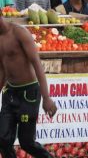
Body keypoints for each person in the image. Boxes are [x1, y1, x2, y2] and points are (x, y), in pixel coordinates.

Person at [0, 9, 57, 158]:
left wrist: (47, 97)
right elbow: (2, 69)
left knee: (26, 142)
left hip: (29, 94)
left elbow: (37, 64)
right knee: (3, 139)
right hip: (10, 93)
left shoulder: (19, 33)